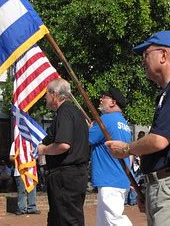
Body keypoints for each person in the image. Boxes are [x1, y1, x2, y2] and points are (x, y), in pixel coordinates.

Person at [105, 30, 170, 226]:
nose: (143, 61)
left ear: (163, 55)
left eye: (146, 54)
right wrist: (151, 188)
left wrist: (126, 149)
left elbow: (159, 139)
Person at [37, 78, 89, 226]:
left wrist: (44, 149)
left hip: (66, 177)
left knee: (67, 219)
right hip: (73, 175)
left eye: (46, 94)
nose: (45, 98)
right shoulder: (76, 113)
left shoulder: (65, 112)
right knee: (59, 219)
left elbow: (64, 145)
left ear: (54, 94)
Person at [89, 87, 132, 226]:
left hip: (109, 178)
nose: (100, 99)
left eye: (104, 97)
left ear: (113, 102)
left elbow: (87, 139)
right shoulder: (124, 123)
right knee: (104, 222)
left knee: (113, 220)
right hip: (120, 177)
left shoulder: (106, 119)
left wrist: (90, 128)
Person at [9, 142, 41, 215]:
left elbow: (37, 155)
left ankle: (32, 208)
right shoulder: (15, 143)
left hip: (31, 170)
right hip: (20, 170)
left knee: (32, 189)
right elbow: (11, 157)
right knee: (21, 190)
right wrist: (20, 159)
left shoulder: (32, 142)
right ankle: (21, 208)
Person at [127, 131, 145, 206]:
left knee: (132, 183)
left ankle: (130, 200)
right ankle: (132, 201)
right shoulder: (141, 144)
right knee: (134, 183)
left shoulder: (136, 143)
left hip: (136, 165)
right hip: (136, 165)